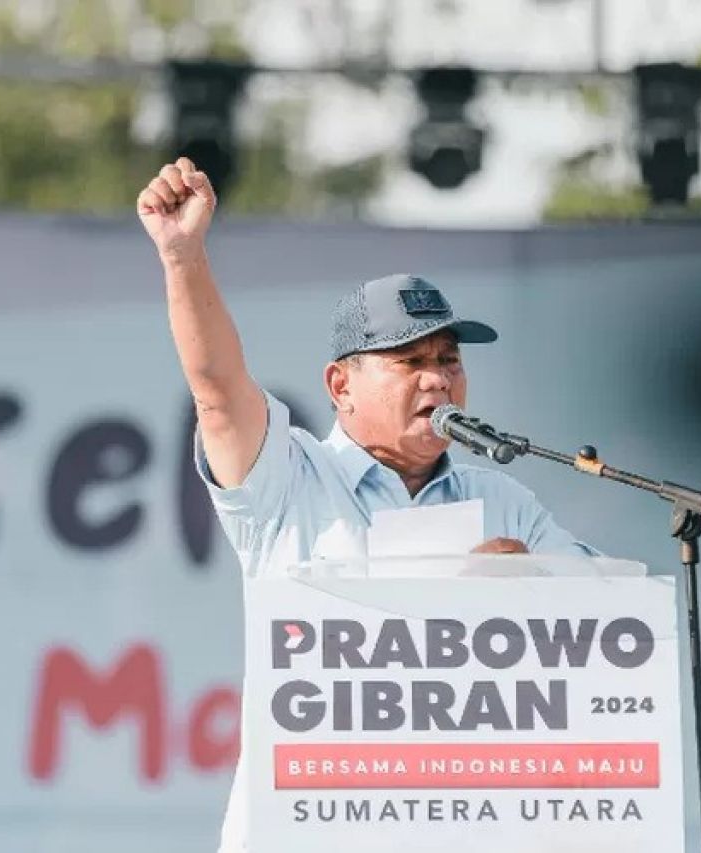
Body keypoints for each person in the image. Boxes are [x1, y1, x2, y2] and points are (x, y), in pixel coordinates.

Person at [136, 158, 594, 851]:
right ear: (340, 384)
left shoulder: (502, 503)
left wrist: (540, 584)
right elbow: (217, 390)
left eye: (449, 360)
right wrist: (183, 257)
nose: (439, 379)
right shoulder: (289, 480)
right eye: (411, 362)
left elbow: (612, 619)